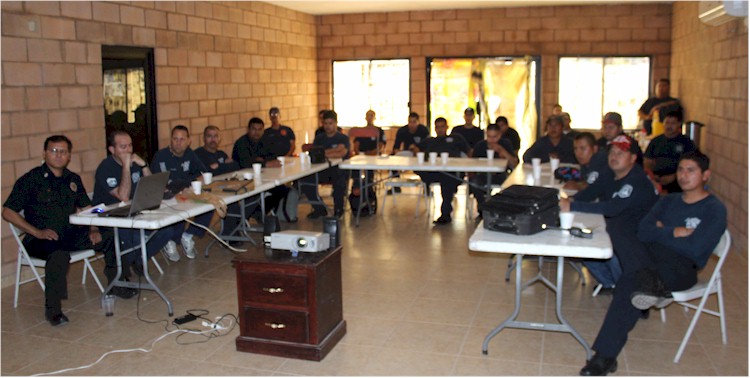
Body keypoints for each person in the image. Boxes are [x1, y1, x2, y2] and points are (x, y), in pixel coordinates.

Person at [579, 151, 726, 376]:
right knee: (618, 225)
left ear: (705, 175)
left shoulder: (714, 209)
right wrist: (674, 232)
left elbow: (696, 248)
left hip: (681, 267)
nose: (684, 176)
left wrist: (660, 231)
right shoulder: (669, 200)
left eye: (691, 171)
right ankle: (651, 285)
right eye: (681, 170)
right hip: (649, 256)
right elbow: (644, 231)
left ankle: (604, 357)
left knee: (631, 281)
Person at [2, 135, 115, 326]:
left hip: (69, 233)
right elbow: (7, 212)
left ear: (69, 156)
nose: (58, 155)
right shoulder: (31, 179)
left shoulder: (73, 179)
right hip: (39, 239)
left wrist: (94, 226)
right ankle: (53, 311)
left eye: (63, 151)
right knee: (59, 254)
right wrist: (36, 232)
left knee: (110, 235)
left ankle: (117, 284)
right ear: (45, 153)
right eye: (54, 151)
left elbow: (90, 208)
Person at [560, 135, 658, 294]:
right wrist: (568, 201)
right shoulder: (609, 173)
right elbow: (590, 193)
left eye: (620, 153)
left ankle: (632, 292)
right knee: (584, 244)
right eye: (612, 152)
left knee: (606, 245)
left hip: (639, 239)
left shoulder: (635, 180)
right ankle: (613, 285)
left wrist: (571, 205)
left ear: (633, 158)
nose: (614, 157)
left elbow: (613, 208)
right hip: (617, 228)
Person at [93, 131, 182, 288]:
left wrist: (144, 166)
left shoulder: (135, 163)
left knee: (166, 230)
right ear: (112, 150)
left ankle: (136, 260)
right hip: (110, 218)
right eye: (123, 147)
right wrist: (126, 166)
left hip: (134, 211)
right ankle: (125, 265)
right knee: (130, 236)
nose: (128, 150)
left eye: (130, 146)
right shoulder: (105, 167)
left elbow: (153, 188)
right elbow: (123, 196)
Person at [150, 125, 212, 261]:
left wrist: (191, 184)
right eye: (175, 139)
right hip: (166, 199)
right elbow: (155, 183)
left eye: (182, 139)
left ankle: (188, 235)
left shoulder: (190, 154)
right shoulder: (160, 156)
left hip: (185, 193)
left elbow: (204, 174)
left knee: (209, 206)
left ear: (189, 141)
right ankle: (170, 241)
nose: (178, 143)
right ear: (170, 140)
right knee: (180, 211)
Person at [410, 117, 470, 225]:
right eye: (437, 127)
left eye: (442, 126)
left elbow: (469, 151)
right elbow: (414, 147)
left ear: (447, 127)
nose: (440, 129)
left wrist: (470, 167)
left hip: (452, 171)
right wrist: (417, 151)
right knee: (425, 171)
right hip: (434, 171)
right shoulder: (430, 140)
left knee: (447, 178)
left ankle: (445, 213)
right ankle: (445, 200)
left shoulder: (456, 138)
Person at [231, 117, 289, 218]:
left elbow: (271, 156)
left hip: (263, 176)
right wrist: (264, 163)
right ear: (248, 129)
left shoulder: (265, 141)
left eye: (259, 129)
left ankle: (259, 212)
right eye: (254, 129)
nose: (256, 132)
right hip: (243, 179)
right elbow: (245, 163)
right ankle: (249, 213)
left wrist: (260, 161)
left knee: (282, 189)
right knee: (256, 193)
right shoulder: (241, 143)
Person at [299, 110, 350, 219]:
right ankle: (319, 208)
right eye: (325, 123)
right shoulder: (319, 138)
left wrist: (324, 152)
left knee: (339, 181)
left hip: (338, 170)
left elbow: (342, 153)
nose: (328, 126)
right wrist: (334, 150)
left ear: (336, 123)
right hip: (322, 169)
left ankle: (338, 209)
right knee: (305, 180)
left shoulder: (343, 138)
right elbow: (315, 154)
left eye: (330, 123)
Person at [644, 110, 696, 193]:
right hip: (656, 179)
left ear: (679, 124)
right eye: (667, 123)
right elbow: (647, 161)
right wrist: (653, 176)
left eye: (673, 123)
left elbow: (692, 164)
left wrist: (674, 177)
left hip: (678, 181)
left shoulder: (686, 142)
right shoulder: (656, 141)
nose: (669, 126)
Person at [469, 123, 518, 210]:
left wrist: (502, 151)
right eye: (489, 136)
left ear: (499, 135)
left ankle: (501, 207)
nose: (491, 140)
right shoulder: (480, 145)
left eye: (494, 137)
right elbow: (472, 163)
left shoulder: (505, 143)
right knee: (474, 183)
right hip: (482, 174)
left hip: (500, 175)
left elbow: (514, 164)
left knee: (509, 186)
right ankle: (482, 206)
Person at [348, 110, 386, 194]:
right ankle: (357, 185)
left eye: (371, 115)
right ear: (365, 117)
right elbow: (356, 145)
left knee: (369, 168)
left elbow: (380, 146)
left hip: (373, 155)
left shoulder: (379, 130)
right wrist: (358, 153)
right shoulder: (361, 130)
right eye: (368, 115)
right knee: (355, 166)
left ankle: (369, 188)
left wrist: (372, 153)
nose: (369, 117)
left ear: (374, 118)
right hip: (361, 154)